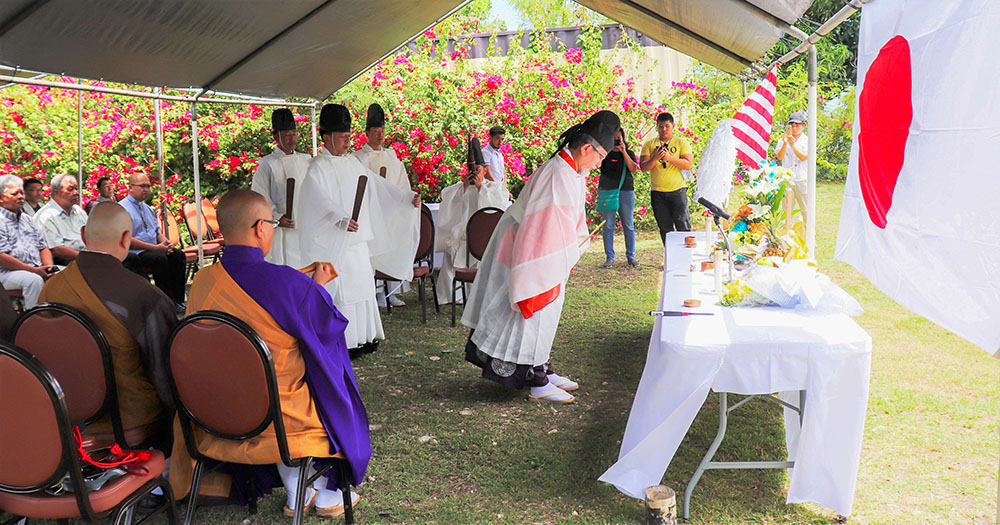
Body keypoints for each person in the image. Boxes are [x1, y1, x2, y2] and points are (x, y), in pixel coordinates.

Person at [168, 190, 368, 518]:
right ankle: (326, 493)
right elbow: (326, 332)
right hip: (278, 420)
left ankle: (297, 490)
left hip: (213, 414)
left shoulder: (203, 282)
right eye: (271, 224)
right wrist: (317, 288)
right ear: (261, 227)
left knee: (261, 378)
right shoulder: (287, 283)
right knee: (323, 381)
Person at [462, 110, 620, 404]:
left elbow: (566, 220)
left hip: (540, 245)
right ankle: (537, 379)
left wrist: (570, 247)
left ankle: (541, 364)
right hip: (528, 248)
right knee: (532, 308)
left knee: (546, 311)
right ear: (587, 148)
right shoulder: (559, 172)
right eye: (599, 157)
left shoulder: (572, 170)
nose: (599, 164)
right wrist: (565, 252)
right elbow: (545, 227)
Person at [39, 202, 176, 448]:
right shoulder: (144, 295)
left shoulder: (52, 287)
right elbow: (165, 373)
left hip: (64, 412)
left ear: (82, 235)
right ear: (127, 238)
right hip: (126, 417)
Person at [297, 104, 420, 356]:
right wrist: (338, 218)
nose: (347, 141)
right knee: (343, 290)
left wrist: (405, 197)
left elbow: (378, 187)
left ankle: (364, 336)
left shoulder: (353, 163)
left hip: (358, 242)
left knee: (363, 287)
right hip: (334, 242)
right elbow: (316, 199)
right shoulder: (317, 167)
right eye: (342, 137)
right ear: (327, 137)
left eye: (348, 136)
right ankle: (344, 339)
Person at [352, 103, 416, 308]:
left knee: (389, 249)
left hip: (389, 214)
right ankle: (372, 292)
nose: (380, 135)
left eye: (382, 131)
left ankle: (389, 292)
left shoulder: (391, 156)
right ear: (367, 133)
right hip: (368, 215)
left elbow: (401, 184)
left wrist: (409, 198)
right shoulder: (357, 158)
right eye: (376, 131)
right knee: (372, 252)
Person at [434, 137, 510, 306]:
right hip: (464, 236)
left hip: (486, 238)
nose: (475, 173)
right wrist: (465, 188)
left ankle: (482, 293)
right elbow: (449, 203)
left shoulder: (495, 188)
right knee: (452, 251)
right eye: (472, 169)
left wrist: (481, 188)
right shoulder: (462, 188)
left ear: (484, 170)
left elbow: (496, 208)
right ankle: (453, 295)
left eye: (478, 169)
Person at [250, 108, 310, 266]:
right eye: (286, 135)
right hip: (282, 226)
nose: (292, 139)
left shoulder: (306, 160)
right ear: (275, 136)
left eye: (294, 134)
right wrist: (276, 217)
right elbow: (259, 196)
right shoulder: (267, 163)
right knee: (286, 265)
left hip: (305, 224)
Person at [119, 173, 187, 311]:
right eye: (142, 186)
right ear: (130, 187)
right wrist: (156, 248)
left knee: (178, 255)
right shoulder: (122, 209)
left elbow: (156, 232)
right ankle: (166, 301)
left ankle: (178, 299)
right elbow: (127, 239)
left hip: (155, 248)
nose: (146, 189)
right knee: (159, 258)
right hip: (136, 253)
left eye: (148, 186)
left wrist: (166, 244)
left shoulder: (147, 208)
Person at [0, 175, 54, 308]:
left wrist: (49, 268)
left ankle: (60, 319)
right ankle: (35, 323)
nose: (21, 197)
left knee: (64, 274)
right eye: (15, 194)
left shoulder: (28, 219)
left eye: (22, 193)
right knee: (33, 281)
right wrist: (33, 270)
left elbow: (43, 247)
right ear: (1, 198)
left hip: (34, 268)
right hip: (6, 272)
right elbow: (1, 257)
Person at [639, 112, 694, 242]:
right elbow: (644, 167)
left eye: (667, 126)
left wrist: (669, 158)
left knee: (683, 226)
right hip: (658, 193)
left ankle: (686, 257)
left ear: (673, 126)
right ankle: (670, 258)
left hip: (677, 191)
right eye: (661, 126)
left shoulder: (681, 142)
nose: (664, 129)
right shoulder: (649, 145)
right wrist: (655, 158)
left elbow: (688, 164)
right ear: (657, 127)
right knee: (665, 228)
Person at [597, 128, 639, 268]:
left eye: (618, 138)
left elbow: (634, 168)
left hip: (625, 191)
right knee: (608, 225)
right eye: (613, 138)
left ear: (623, 138)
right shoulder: (604, 153)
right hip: (608, 192)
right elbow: (599, 167)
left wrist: (624, 152)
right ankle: (610, 257)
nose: (616, 141)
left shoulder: (629, 153)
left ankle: (631, 256)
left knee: (628, 224)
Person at [33, 173, 87, 264]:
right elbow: (56, 250)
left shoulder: (78, 211)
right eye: (70, 189)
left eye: (76, 189)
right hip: (65, 261)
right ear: (56, 193)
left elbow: (92, 235)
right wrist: (87, 258)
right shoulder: (46, 216)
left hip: (86, 256)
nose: (76, 193)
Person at [776, 110, 809, 232]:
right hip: (787, 179)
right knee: (787, 210)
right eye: (792, 126)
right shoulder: (783, 140)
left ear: (803, 126)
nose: (795, 129)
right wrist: (785, 144)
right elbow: (780, 157)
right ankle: (787, 236)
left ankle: (810, 236)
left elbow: (803, 156)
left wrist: (793, 145)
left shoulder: (806, 140)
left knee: (806, 209)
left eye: (797, 125)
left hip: (802, 178)